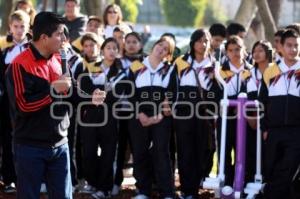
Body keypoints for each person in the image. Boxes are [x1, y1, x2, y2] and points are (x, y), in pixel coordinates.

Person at [5, 11, 105, 199]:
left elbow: (71, 90)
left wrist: (90, 98)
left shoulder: (60, 58)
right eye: (59, 34)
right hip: (29, 147)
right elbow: (23, 106)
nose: (64, 38)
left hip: (60, 145)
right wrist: (53, 90)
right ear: (44, 38)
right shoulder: (19, 65)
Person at [128, 37, 176, 199]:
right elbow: (130, 92)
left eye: (165, 49)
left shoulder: (170, 69)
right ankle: (143, 191)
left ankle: (167, 192)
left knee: (161, 152)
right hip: (139, 115)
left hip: (161, 117)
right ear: (154, 45)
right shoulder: (136, 66)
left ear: (168, 55)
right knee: (140, 152)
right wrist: (140, 114)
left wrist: (158, 116)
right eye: (160, 45)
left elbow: (171, 93)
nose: (161, 49)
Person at [79, 37, 126, 199]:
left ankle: (104, 188)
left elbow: (121, 91)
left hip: (111, 115)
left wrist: (102, 95)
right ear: (102, 50)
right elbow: (83, 86)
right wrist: (96, 92)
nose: (112, 51)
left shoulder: (121, 71)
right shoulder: (91, 67)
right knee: (89, 151)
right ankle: (92, 182)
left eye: (115, 48)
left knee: (108, 152)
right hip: (91, 115)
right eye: (109, 47)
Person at [173, 29, 214, 198]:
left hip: (204, 115)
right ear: (192, 42)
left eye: (206, 41)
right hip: (183, 115)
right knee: (185, 152)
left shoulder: (214, 64)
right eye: (199, 41)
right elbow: (172, 87)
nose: (203, 44)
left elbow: (217, 92)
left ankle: (195, 188)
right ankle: (186, 189)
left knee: (201, 150)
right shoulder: (181, 62)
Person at [259, 29, 300, 199]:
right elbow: (262, 103)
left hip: (296, 131)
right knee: (271, 168)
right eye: (289, 46)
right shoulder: (270, 71)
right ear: (281, 47)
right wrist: (264, 128)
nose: (293, 49)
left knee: (288, 167)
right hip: (273, 131)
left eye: (297, 46)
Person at [0, 9, 31, 193]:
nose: (19, 30)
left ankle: (30, 177)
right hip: (7, 104)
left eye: (23, 27)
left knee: (28, 139)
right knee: (7, 138)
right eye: (16, 27)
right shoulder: (5, 53)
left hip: (29, 101)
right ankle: (10, 178)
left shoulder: (34, 50)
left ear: (28, 28)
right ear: (10, 28)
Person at [112, 31, 145, 196]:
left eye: (135, 41)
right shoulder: (116, 62)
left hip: (136, 111)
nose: (131, 44)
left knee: (138, 149)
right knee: (119, 149)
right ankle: (116, 182)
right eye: (128, 41)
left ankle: (141, 184)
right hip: (118, 111)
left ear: (140, 44)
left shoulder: (145, 61)